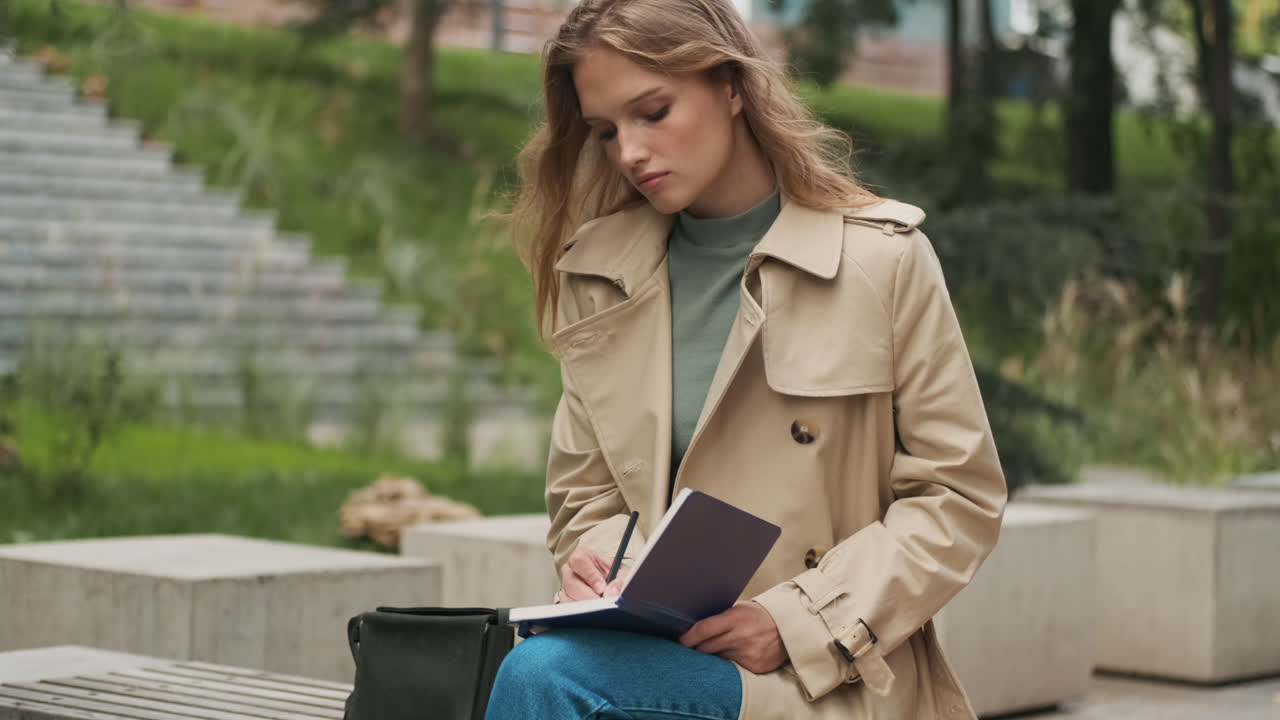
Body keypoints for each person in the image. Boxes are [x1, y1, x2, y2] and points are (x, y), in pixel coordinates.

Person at [488, 0, 1008, 716]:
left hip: (825, 674)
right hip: (656, 646)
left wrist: (797, 621)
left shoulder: (881, 262)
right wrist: (604, 564)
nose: (629, 152)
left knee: (543, 679)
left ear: (731, 86)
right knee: (545, 667)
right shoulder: (600, 274)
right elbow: (587, 496)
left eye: (654, 112)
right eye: (606, 131)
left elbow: (959, 499)